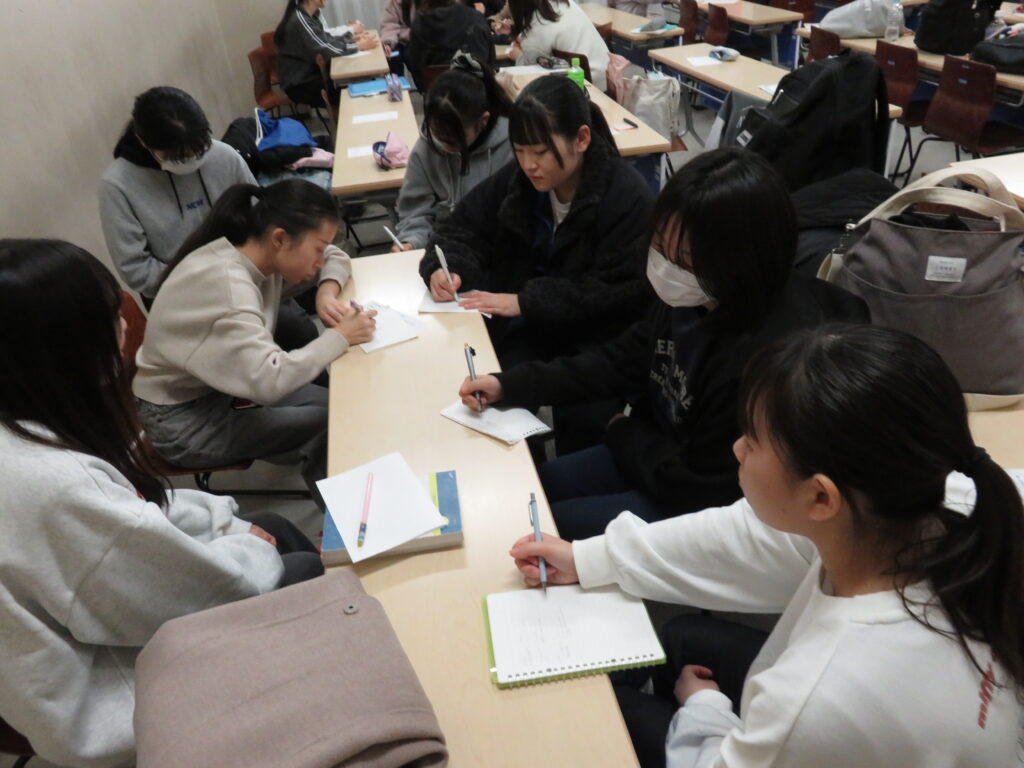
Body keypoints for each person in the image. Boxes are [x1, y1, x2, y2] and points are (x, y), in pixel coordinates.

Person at [511, 324, 1024, 768]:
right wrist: (587, 557)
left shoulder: (817, 695)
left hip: (824, 721)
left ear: (820, 497)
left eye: (752, 440)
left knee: (608, 712)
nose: (737, 448)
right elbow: (745, 540)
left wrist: (705, 711)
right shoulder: (948, 504)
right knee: (684, 636)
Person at [0, 238, 324, 768]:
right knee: (304, 568)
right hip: (115, 699)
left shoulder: (29, 426)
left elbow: (132, 512)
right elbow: (188, 591)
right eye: (111, 317)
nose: (126, 328)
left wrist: (226, 522)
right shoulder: (53, 483)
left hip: (96, 617)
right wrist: (245, 545)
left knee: (270, 526)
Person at [458, 148, 869, 538]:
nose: (666, 267)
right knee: (529, 488)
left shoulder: (766, 359)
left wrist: (621, 432)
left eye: (684, 259)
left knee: (542, 525)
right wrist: (509, 384)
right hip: (652, 452)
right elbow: (618, 360)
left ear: (740, 259)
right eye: (659, 247)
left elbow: (697, 486)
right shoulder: (695, 297)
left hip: (699, 500)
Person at [133, 179, 376, 502]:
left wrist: (326, 290)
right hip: (181, 426)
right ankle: (343, 521)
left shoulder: (255, 256)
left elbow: (336, 256)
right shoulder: (229, 288)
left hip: (217, 392)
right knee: (328, 423)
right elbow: (269, 382)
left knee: (335, 404)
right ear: (280, 238)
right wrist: (340, 336)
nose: (320, 260)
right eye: (316, 249)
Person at [422, 74, 653, 372]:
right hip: (529, 328)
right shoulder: (520, 183)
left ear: (581, 139)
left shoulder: (626, 197)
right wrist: (447, 268)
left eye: (541, 152)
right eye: (519, 150)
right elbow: (461, 228)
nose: (529, 164)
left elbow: (616, 292)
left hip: (595, 344)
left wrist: (526, 301)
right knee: (465, 373)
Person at [98, 87, 257, 304]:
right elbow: (136, 270)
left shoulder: (223, 156)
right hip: (179, 294)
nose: (191, 160)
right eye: (178, 157)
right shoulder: (117, 186)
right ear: (143, 142)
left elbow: (260, 215)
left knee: (293, 321)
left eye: (199, 149)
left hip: (244, 273)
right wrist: (210, 278)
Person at [392, 52, 514, 252]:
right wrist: (411, 241)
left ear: (483, 121)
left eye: (453, 138)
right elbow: (415, 212)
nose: (443, 143)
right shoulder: (426, 148)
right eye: (437, 133)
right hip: (444, 250)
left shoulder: (512, 148)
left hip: (496, 250)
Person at [508, 0, 611, 91]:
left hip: (588, 86)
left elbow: (529, 74)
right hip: (607, 78)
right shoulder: (563, 4)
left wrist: (518, 56)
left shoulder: (539, 27)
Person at [274, 0, 358, 108]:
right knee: (350, 92)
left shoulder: (310, 15)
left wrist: (351, 39)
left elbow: (326, 40)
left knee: (356, 82)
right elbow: (325, 50)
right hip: (301, 84)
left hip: (313, 76)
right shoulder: (300, 19)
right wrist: (356, 46)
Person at [404, 0, 496, 91]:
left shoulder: (420, 23)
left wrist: (425, 90)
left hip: (435, 93)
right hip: (476, 93)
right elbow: (490, 62)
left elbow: (415, 66)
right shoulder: (476, 19)